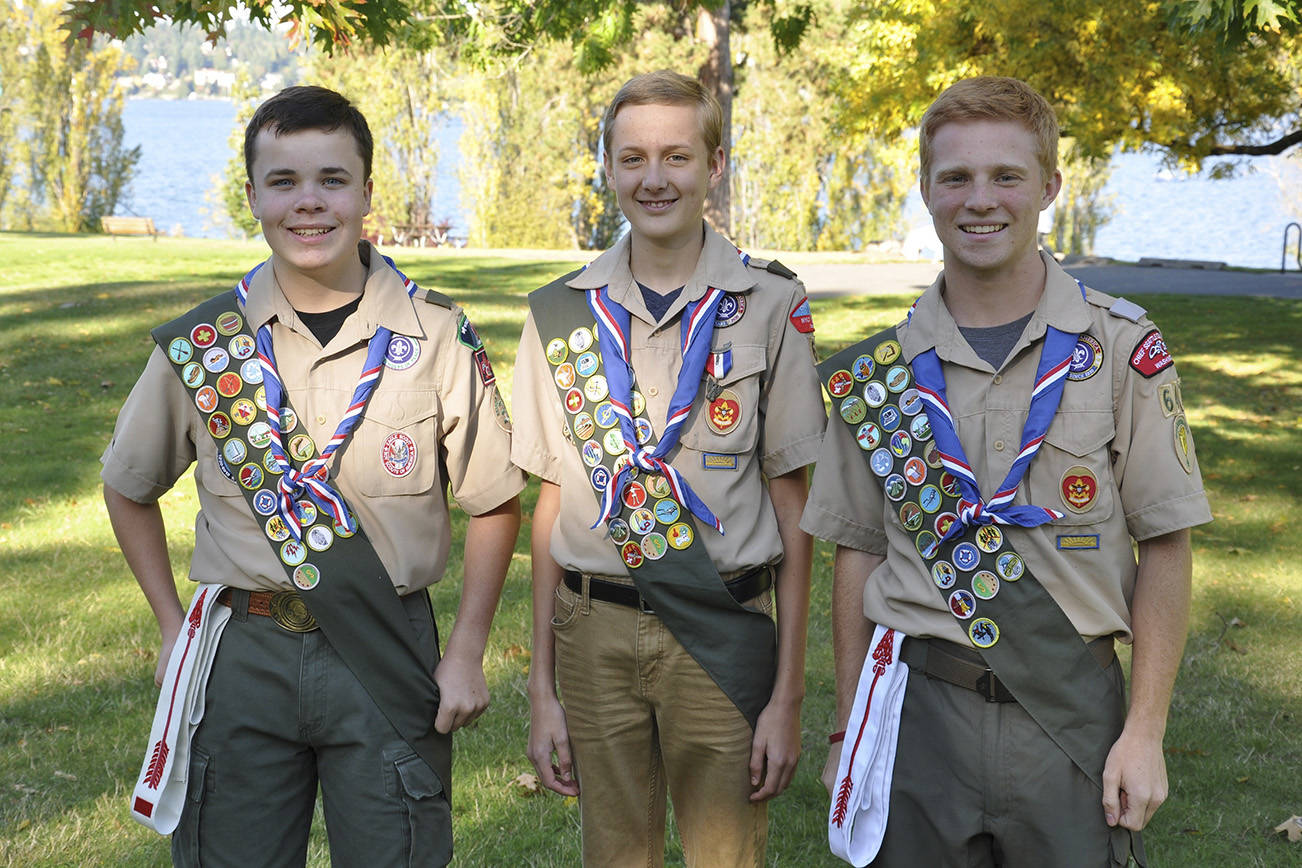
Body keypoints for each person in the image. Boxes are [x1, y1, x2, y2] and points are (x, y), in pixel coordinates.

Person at [102, 85, 523, 868]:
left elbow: (496, 500)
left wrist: (466, 649)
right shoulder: (205, 346)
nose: (309, 203)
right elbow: (128, 487)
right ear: (253, 195)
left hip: (387, 643)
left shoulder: (435, 335)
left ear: (367, 193)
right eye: (284, 182)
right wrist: (169, 625)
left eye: (333, 180)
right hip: (243, 652)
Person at [801, 76, 1212, 867]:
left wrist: (1147, 730)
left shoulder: (1121, 350)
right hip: (920, 715)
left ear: (1050, 185)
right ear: (925, 190)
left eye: (1006, 176)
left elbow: (1167, 542)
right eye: (955, 177)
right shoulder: (882, 375)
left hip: (1070, 716)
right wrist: (854, 728)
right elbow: (857, 553)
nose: (979, 200)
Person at [511, 69, 826, 866]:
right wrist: (540, 688)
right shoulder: (560, 314)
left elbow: (795, 507)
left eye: (678, 157)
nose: (655, 179)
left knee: (726, 855)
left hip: (722, 627)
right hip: (593, 632)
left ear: (714, 166)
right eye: (634, 158)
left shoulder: (770, 304)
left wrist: (788, 694)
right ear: (610, 169)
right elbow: (550, 505)